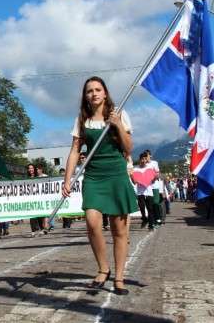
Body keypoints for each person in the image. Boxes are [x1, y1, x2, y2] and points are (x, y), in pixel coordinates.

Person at [62, 77, 138, 295]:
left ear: (105, 93)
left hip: (117, 176)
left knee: (119, 229)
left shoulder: (120, 114)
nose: (93, 94)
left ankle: (120, 277)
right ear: (85, 96)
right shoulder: (81, 120)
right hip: (94, 177)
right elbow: (75, 151)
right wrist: (67, 180)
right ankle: (103, 269)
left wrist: (117, 126)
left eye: (98, 89)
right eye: (89, 91)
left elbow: (129, 148)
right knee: (92, 222)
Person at [132, 152, 157, 230]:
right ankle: (144, 218)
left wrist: (155, 177)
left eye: (145, 159)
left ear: (147, 160)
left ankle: (151, 225)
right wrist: (132, 176)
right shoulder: (135, 169)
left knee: (150, 209)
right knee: (142, 208)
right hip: (140, 192)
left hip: (149, 192)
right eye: (142, 159)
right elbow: (134, 182)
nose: (143, 160)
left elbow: (152, 181)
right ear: (139, 160)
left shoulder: (150, 168)